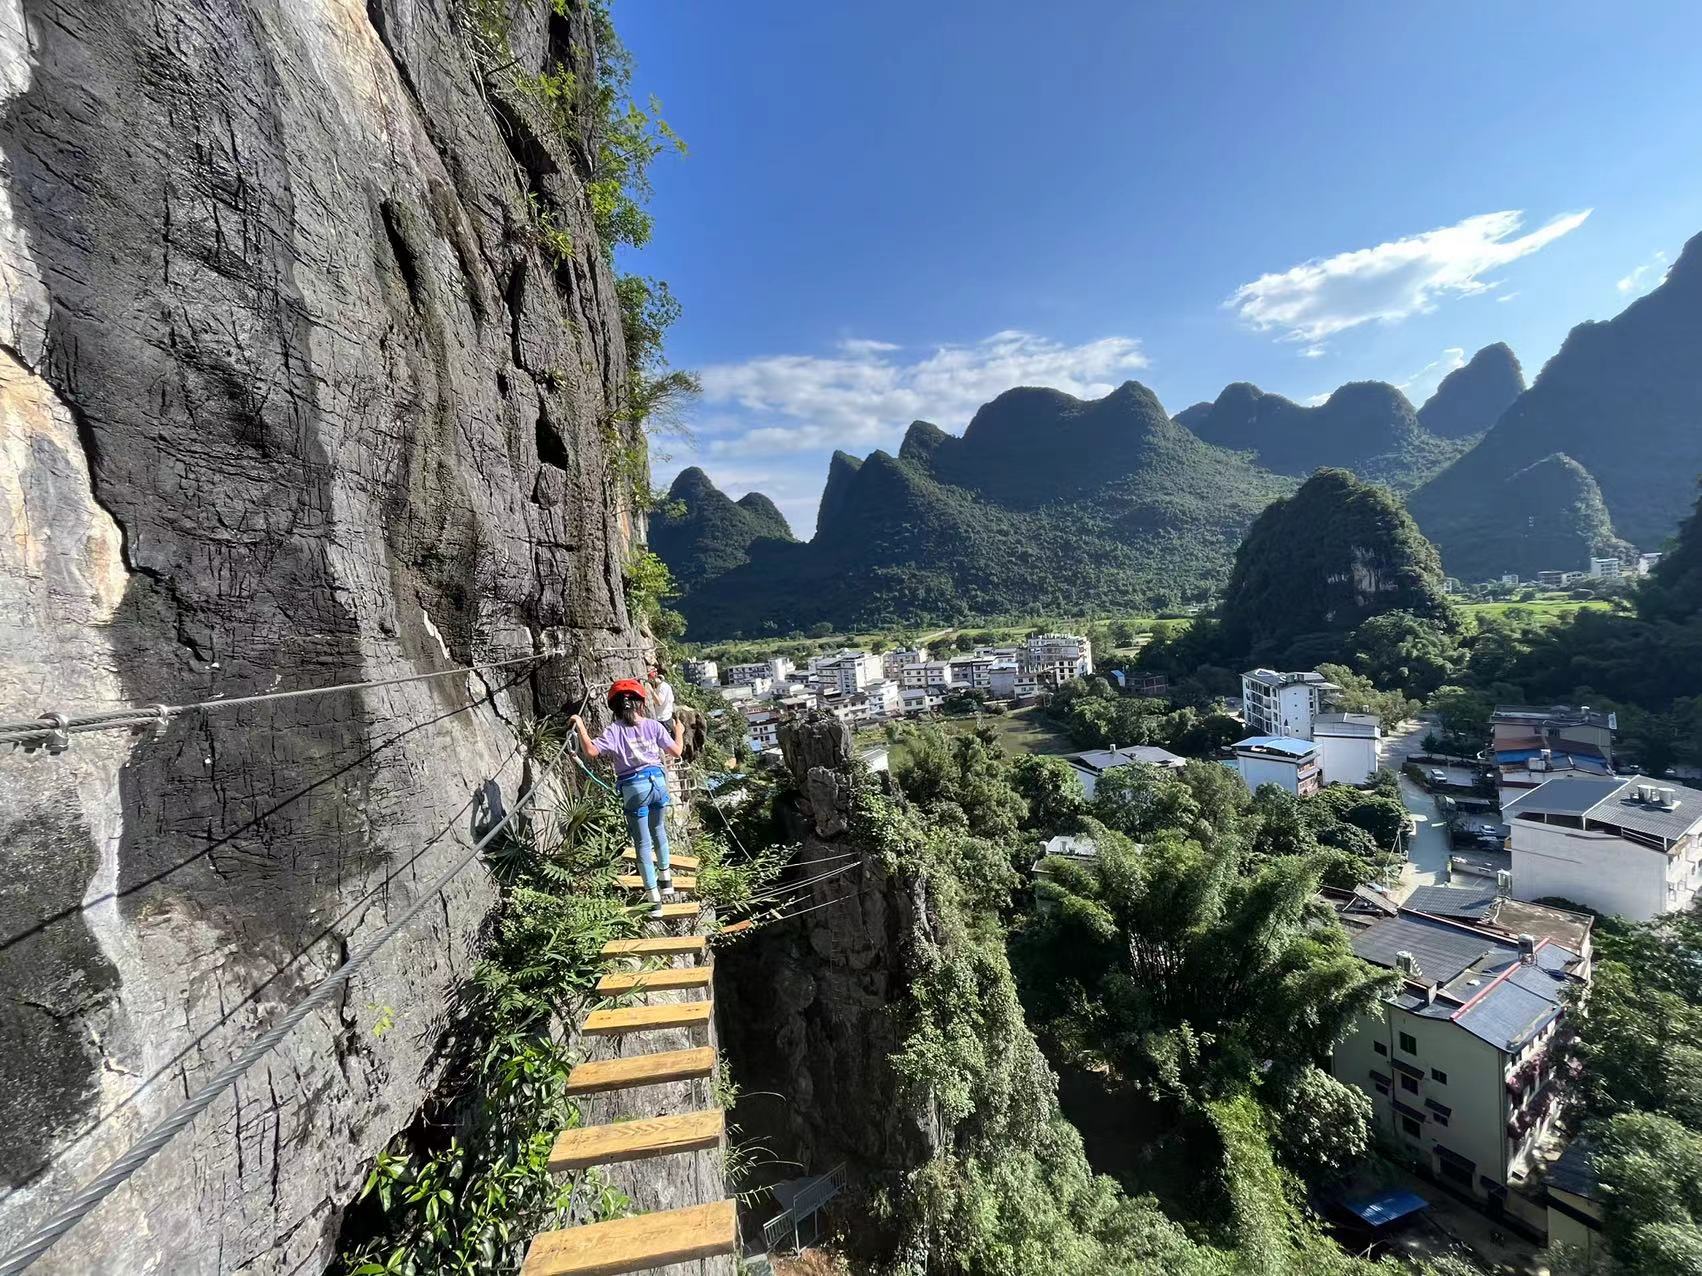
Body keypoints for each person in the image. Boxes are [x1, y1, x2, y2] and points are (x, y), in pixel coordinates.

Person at [570, 679, 685, 918]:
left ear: (616, 709)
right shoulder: (654, 726)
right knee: (659, 831)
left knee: (642, 844)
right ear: (641, 705)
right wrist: (680, 732)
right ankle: (667, 881)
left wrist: (580, 725)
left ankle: (654, 902)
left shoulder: (614, 730)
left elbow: (591, 752)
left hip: (634, 788)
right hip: (658, 783)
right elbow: (676, 751)